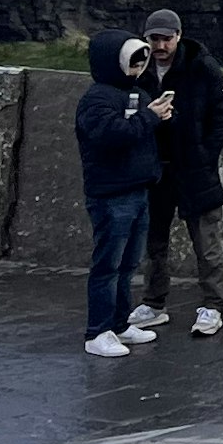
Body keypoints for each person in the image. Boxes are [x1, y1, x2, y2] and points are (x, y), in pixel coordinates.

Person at [134, 9, 223, 338]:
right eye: (155, 39)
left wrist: (204, 155)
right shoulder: (138, 67)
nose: (161, 45)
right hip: (155, 168)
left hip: (194, 167)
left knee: (206, 243)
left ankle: (212, 306)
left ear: (179, 35)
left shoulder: (202, 66)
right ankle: (154, 303)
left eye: (167, 38)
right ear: (146, 38)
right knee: (154, 241)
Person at [76, 37, 173, 357]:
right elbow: (111, 135)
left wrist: (161, 118)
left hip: (138, 188)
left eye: (141, 62)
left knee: (128, 263)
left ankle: (118, 324)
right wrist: (149, 117)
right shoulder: (96, 100)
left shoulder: (136, 93)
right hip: (111, 194)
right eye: (133, 61)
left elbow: (139, 131)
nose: (139, 67)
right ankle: (97, 331)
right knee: (108, 265)